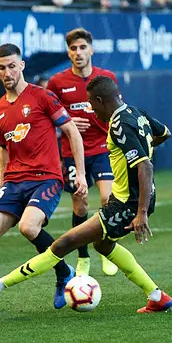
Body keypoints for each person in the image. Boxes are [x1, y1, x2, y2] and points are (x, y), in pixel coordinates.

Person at [0, 75, 172, 314]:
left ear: (100, 100)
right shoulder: (136, 112)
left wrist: (141, 212)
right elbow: (164, 133)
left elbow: (145, 166)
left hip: (127, 205)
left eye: (91, 104)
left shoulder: (119, 125)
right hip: (129, 199)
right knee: (103, 245)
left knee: (65, 243)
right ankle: (157, 297)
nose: (91, 110)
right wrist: (144, 150)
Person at [0, 43, 88, 314]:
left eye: (12, 66)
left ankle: (63, 273)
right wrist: (1, 183)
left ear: (22, 65)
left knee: (28, 227)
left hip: (46, 178)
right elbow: (3, 148)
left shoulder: (42, 96)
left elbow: (72, 131)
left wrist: (80, 174)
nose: (7, 72)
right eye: (1, 68)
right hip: (14, 181)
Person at [46, 28, 119, 277]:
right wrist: (66, 123)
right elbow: (48, 116)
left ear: (91, 50)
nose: (78, 53)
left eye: (82, 47)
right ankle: (83, 257)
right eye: (73, 48)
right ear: (68, 52)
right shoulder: (57, 82)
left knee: (109, 199)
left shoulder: (106, 77)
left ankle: (107, 249)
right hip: (73, 152)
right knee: (80, 204)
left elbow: (117, 109)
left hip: (103, 147)